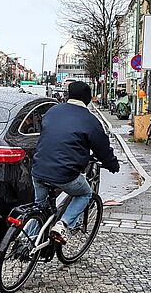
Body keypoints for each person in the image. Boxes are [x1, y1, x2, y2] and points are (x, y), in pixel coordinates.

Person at [31, 81, 121, 244]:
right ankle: (62, 225)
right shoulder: (90, 120)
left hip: (38, 168)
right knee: (85, 193)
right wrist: (112, 165)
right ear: (88, 98)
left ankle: (25, 242)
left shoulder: (53, 110)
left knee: (39, 207)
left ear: (69, 95)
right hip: (65, 174)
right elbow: (103, 149)